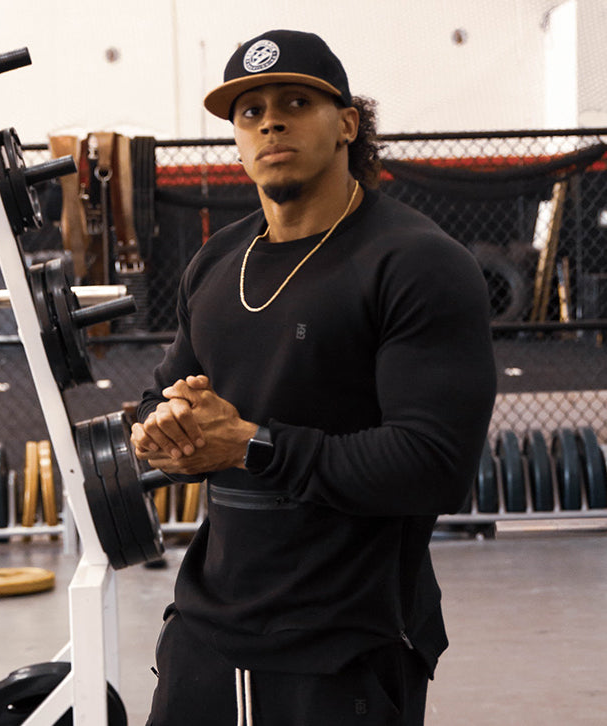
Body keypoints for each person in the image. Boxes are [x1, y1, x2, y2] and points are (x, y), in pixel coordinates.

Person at [131, 29, 496, 726]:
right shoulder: (216, 262)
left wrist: (249, 446)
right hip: (206, 633)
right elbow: (163, 393)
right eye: (250, 111)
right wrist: (160, 431)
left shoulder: (417, 262)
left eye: (296, 102)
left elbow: (434, 465)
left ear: (348, 125)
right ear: (238, 139)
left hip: (346, 643)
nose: (270, 122)